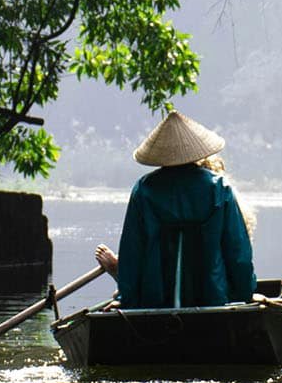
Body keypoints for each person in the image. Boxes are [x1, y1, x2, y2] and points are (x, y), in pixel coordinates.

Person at [94, 110, 256, 308]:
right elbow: (237, 253)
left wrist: (126, 299)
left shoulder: (144, 189)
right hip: (211, 297)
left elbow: (132, 254)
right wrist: (246, 293)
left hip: (153, 300)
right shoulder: (219, 188)